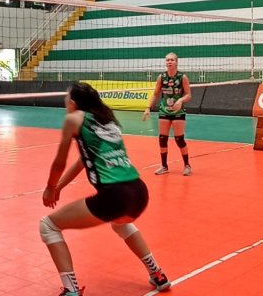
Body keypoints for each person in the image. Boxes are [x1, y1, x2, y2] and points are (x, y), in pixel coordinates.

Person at [41, 83, 171, 296]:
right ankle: (157, 273)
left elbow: (59, 162)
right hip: (139, 192)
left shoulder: (73, 119)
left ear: (72, 103)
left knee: (48, 226)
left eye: (66, 98)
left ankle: (71, 289)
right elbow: (84, 160)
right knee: (120, 224)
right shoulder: (105, 119)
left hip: (115, 196)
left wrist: (50, 187)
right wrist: (60, 187)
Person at [143, 52, 193, 176]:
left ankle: (187, 165)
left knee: (179, 139)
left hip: (178, 112)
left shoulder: (182, 77)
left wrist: (181, 100)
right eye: (167, 60)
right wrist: (148, 108)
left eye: (172, 60)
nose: (169, 62)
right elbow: (155, 94)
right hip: (164, 110)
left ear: (176, 62)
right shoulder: (162, 77)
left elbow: (189, 95)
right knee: (162, 139)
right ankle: (164, 166)